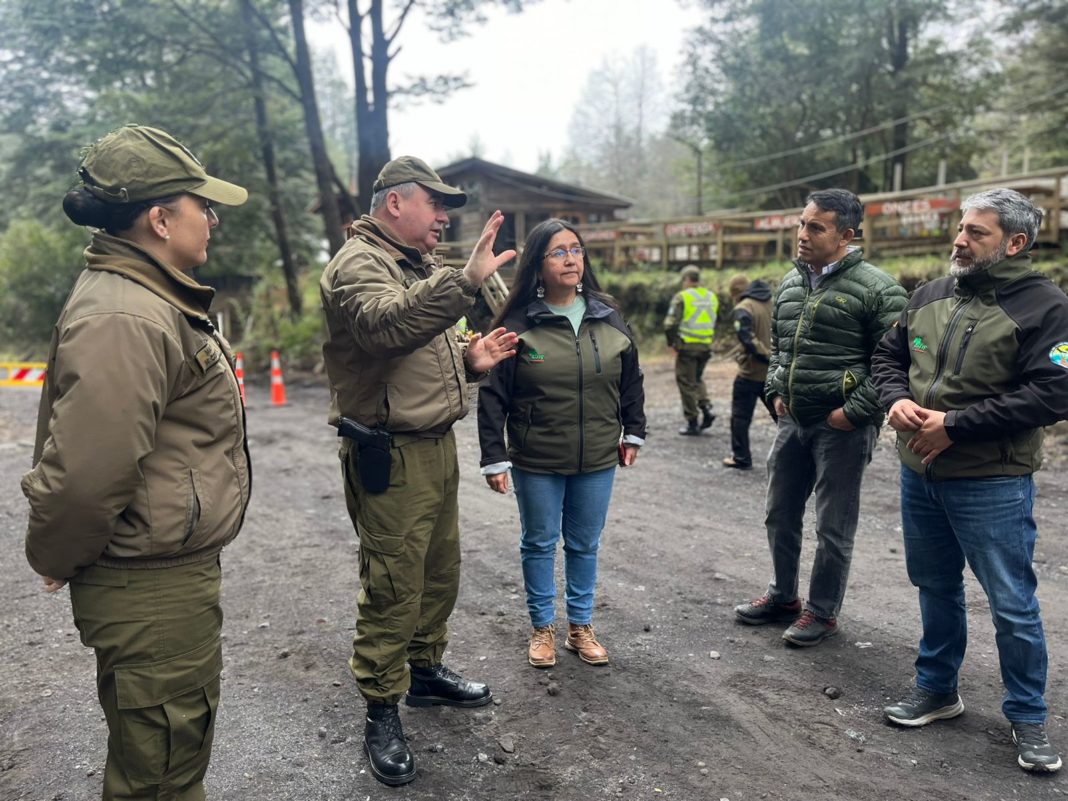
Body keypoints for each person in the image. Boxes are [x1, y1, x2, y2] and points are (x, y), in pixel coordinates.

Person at [21, 124, 251, 800]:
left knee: (164, 759)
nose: (210, 218)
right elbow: (87, 475)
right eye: (199, 204)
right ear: (158, 218)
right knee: (161, 777)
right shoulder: (130, 313)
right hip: (148, 588)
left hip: (161, 578)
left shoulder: (149, 296)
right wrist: (56, 553)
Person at [319, 155, 519, 787]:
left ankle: (425, 673)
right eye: (435, 204)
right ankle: (382, 707)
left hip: (434, 445)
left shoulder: (416, 267)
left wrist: (469, 357)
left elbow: (421, 353)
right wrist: (463, 281)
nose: (443, 217)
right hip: (389, 451)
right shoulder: (358, 265)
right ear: (395, 203)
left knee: (438, 571)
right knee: (392, 582)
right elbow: (386, 329)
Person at [871, 188, 1068, 773]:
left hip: (992, 481)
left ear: (1015, 242)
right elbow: (889, 356)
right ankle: (938, 690)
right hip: (920, 472)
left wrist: (956, 426)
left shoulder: (1046, 307)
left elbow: (1054, 391)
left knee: (1011, 602)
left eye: (976, 233)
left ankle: (1028, 716)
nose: (959, 239)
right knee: (934, 585)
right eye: (961, 228)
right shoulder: (930, 294)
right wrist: (897, 400)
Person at [734, 189, 907, 646]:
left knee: (833, 526)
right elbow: (781, 350)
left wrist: (852, 414)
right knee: (779, 512)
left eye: (816, 227)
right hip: (793, 420)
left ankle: (823, 611)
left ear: (846, 235)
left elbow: (893, 361)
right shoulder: (790, 285)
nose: (802, 235)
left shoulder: (879, 289)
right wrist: (774, 391)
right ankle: (783, 596)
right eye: (801, 224)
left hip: (843, 429)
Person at [477, 218, 647, 670]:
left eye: (576, 249)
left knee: (585, 543)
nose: (571, 258)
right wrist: (494, 457)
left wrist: (633, 429)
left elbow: (631, 377)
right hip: (537, 458)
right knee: (538, 542)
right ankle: (542, 628)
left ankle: (580, 627)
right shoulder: (518, 324)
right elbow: (493, 394)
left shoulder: (606, 314)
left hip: (596, 456)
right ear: (538, 263)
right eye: (558, 252)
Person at [722, 274, 775, 469]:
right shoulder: (772, 302)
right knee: (781, 415)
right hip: (773, 373)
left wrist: (765, 355)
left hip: (750, 373)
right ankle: (800, 455)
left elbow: (747, 337)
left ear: (736, 293)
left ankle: (741, 457)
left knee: (740, 417)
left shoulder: (743, 308)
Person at [663, 264, 717, 435]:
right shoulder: (711, 296)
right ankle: (706, 407)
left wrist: (672, 342)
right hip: (706, 346)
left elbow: (669, 324)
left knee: (686, 382)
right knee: (697, 378)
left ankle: (692, 421)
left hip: (687, 346)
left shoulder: (682, 297)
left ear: (686, 280)